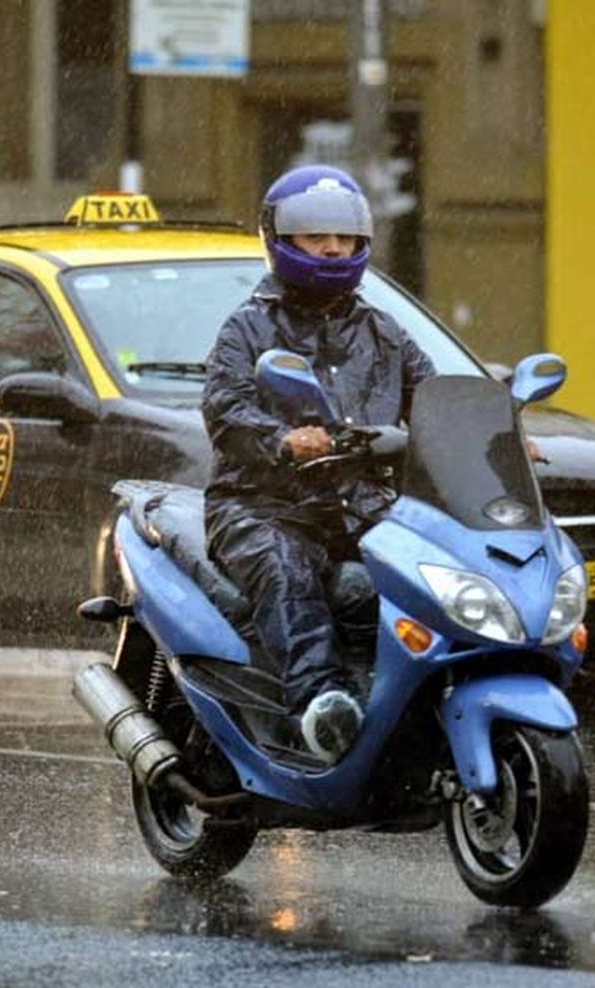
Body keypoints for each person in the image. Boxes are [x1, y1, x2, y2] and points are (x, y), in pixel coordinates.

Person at [201, 165, 436, 762]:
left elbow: (434, 395)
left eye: (346, 236)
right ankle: (320, 708)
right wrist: (283, 441)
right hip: (263, 508)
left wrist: (496, 436)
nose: (333, 247)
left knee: (433, 570)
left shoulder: (384, 332)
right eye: (315, 235)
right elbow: (225, 409)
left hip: (362, 506)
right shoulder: (248, 328)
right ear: (279, 238)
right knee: (289, 573)